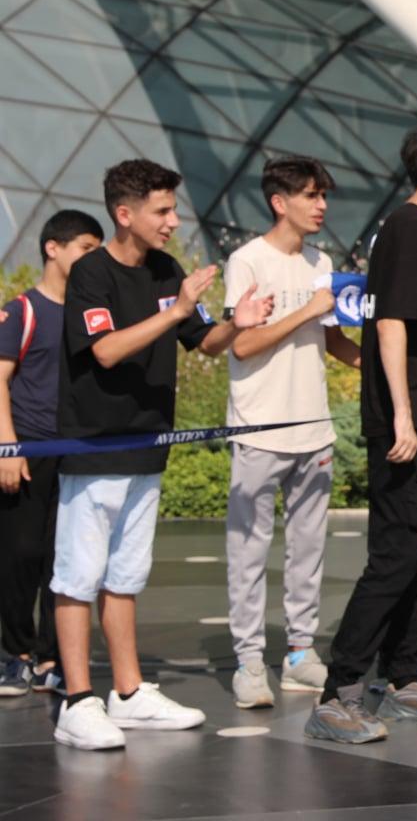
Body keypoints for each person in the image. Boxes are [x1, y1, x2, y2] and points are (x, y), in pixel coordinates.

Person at [52, 161, 273, 751]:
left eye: (173, 209)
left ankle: (128, 693)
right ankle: (76, 700)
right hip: (94, 447)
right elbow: (104, 351)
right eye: (162, 211)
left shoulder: (166, 270)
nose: (174, 221)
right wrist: (173, 311)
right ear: (125, 214)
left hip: (148, 446)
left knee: (125, 575)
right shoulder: (91, 274)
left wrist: (238, 321)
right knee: (78, 576)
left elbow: (203, 341)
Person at [305, 123, 417, 745]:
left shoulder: (415, 232)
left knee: (410, 555)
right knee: (393, 558)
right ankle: (339, 692)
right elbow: (390, 327)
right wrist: (405, 417)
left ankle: (403, 677)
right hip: (405, 427)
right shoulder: (408, 231)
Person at [224, 157, 363, 710]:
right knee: (249, 553)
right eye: (310, 195)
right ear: (279, 202)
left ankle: (300, 653)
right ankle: (249, 661)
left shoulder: (320, 261)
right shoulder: (246, 261)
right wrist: (307, 309)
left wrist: (378, 366)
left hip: (313, 430)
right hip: (259, 429)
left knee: (308, 551)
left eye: (323, 195)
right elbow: (242, 344)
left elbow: (330, 337)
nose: (321, 205)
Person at [0, 210, 103, 698]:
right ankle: (14, 652)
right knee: (20, 553)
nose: (93, 258)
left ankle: (51, 657)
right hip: (29, 450)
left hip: (77, 453)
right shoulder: (22, 310)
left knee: (65, 559)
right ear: (53, 248)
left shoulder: (92, 314)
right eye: (86, 248)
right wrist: (8, 447)